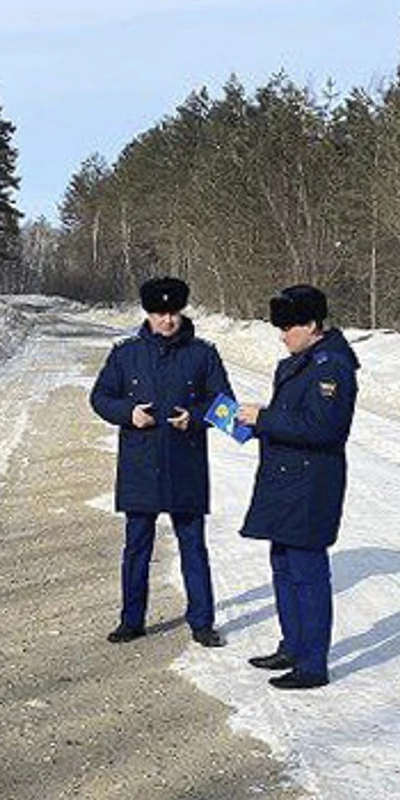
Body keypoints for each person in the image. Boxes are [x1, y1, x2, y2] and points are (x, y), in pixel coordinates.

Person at [89, 276, 232, 647]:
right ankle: (131, 620)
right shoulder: (125, 354)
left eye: (173, 313)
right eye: (159, 313)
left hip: (186, 465)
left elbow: (226, 407)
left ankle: (202, 622)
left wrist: (196, 417)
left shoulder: (204, 354)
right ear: (147, 314)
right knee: (137, 547)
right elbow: (100, 397)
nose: (167, 320)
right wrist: (128, 413)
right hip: (140, 466)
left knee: (193, 547)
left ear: (182, 312)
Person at [235, 284, 359, 690]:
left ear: (311, 324)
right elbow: (291, 419)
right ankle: (292, 645)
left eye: (288, 326)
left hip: (311, 485)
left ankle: (312, 663)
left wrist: (265, 419)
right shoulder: (296, 362)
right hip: (284, 482)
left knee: (308, 573)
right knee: (283, 567)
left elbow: (325, 429)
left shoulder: (331, 367)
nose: (282, 334)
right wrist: (251, 426)